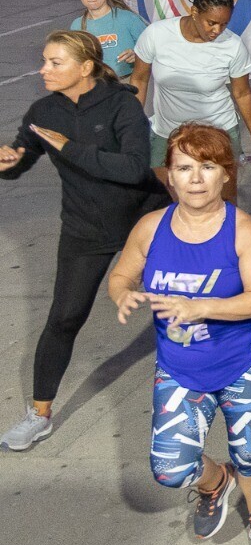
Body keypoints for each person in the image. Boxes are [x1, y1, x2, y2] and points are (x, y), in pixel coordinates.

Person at [107, 123, 251, 545]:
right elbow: (122, 274)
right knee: (170, 469)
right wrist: (122, 293)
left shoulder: (243, 230)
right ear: (169, 175)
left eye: (208, 167)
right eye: (184, 168)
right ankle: (215, 482)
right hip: (179, 366)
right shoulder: (151, 227)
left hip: (244, 362)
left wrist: (199, 306)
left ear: (226, 174)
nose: (196, 178)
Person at [0, 31, 163, 451]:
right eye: (44, 60)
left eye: (55, 62)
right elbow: (23, 155)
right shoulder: (43, 110)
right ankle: (39, 415)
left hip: (145, 224)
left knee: (184, 306)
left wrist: (70, 148)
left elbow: (133, 168)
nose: (43, 70)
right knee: (64, 318)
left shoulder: (121, 104)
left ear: (85, 67)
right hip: (84, 228)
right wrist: (9, 162)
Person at [130, 0, 251, 177]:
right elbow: (139, 79)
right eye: (211, 23)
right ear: (194, 11)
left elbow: (242, 94)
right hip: (167, 133)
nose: (217, 30)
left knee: (220, 195)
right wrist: (133, 124)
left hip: (219, 133)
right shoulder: (156, 34)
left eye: (224, 24)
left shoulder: (233, 46)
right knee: (163, 193)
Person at [67, 0, 145, 79]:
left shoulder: (128, 19)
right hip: (95, 84)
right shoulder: (76, 26)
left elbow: (153, 50)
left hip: (128, 82)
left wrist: (137, 55)